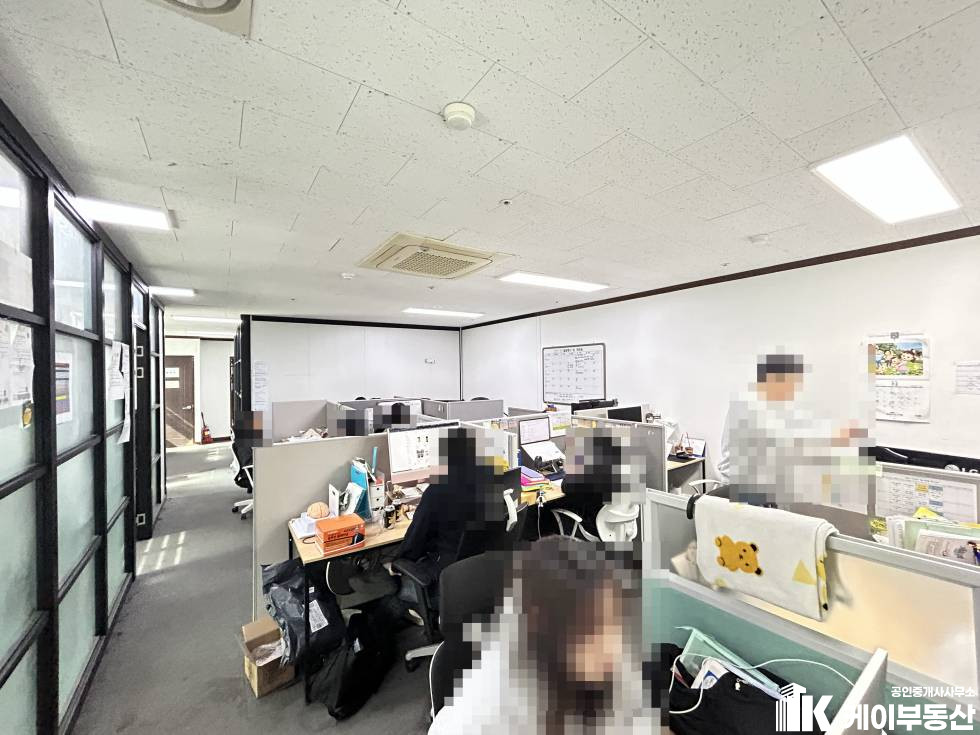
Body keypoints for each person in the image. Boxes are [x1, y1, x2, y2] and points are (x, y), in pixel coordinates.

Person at [428, 536, 652, 734]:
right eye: (592, 630)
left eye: (613, 620)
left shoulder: (604, 664)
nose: (613, 646)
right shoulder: (480, 715)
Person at [716, 353, 867, 507]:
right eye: (788, 382)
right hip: (742, 493)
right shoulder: (745, 406)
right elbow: (731, 456)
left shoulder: (780, 406)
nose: (792, 389)